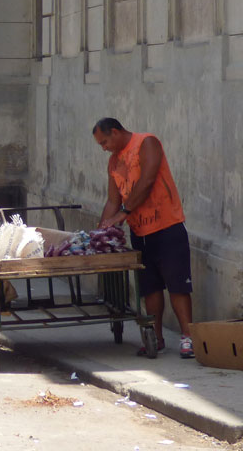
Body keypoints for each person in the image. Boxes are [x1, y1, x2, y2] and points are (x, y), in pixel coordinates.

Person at [93, 117, 194, 359]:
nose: (104, 147)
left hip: (167, 226)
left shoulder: (147, 143)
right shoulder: (114, 162)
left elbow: (147, 181)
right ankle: (155, 338)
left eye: (105, 142)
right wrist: (99, 232)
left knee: (177, 285)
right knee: (150, 287)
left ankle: (188, 337)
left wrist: (123, 213)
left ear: (116, 132)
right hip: (140, 231)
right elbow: (112, 200)